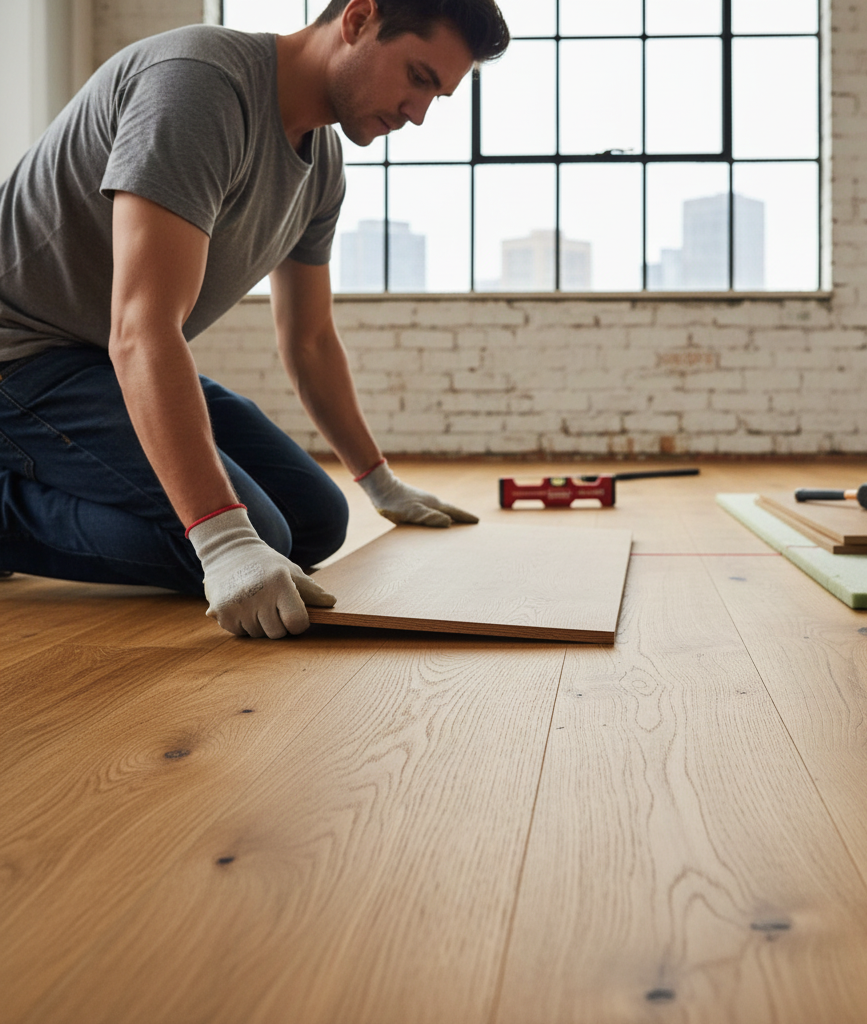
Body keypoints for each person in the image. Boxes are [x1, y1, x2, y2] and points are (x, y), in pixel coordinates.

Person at [0, 0, 509, 639]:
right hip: (20, 357)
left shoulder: (321, 168)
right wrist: (219, 541)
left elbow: (311, 339)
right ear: (357, 20)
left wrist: (379, 481)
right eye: (418, 76)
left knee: (317, 519)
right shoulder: (198, 86)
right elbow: (142, 329)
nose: (418, 113)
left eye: (439, 96)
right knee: (255, 533)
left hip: (96, 357)